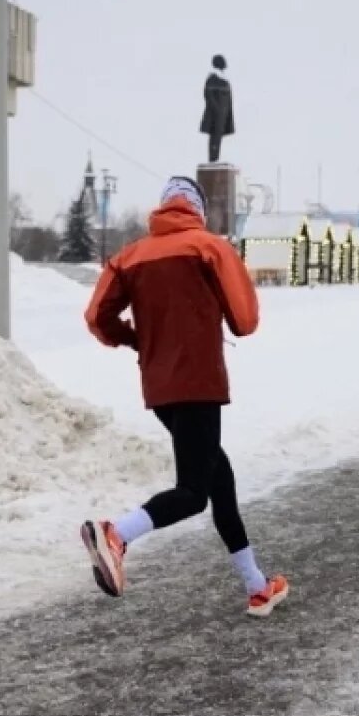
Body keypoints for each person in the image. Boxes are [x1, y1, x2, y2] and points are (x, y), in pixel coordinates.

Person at [80, 176, 289, 618]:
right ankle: (115, 533)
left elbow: (97, 317)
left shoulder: (129, 257)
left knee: (220, 479)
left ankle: (256, 585)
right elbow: (246, 320)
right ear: (196, 209)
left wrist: (138, 340)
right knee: (194, 491)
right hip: (199, 383)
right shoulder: (209, 247)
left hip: (160, 389)